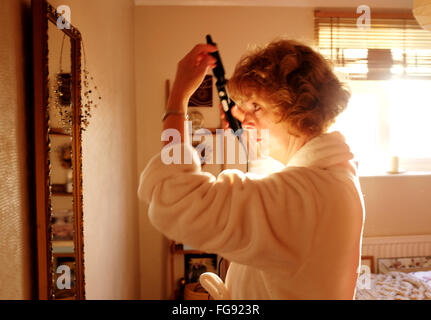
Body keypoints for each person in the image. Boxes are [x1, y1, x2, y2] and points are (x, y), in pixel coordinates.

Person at [137, 39, 365, 300]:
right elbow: (272, 195)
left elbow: (176, 197)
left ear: (297, 109)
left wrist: (177, 100)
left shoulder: (309, 193)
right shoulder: (330, 175)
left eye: (256, 106)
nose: (244, 117)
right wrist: (252, 134)